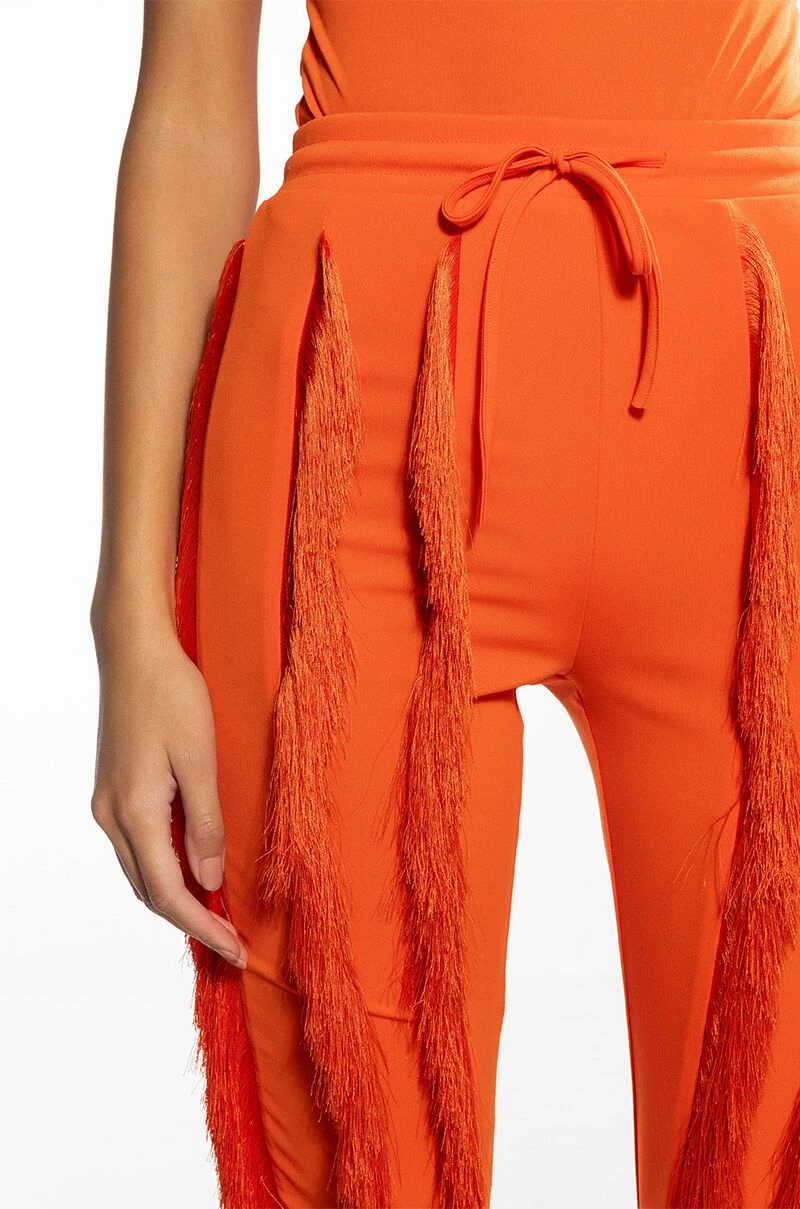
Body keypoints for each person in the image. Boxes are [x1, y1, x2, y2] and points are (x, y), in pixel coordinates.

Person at [90, 2, 800, 1206]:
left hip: (746, 405)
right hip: (347, 416)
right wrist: (129, 622)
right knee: (349, 1151)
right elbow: (190, 108)